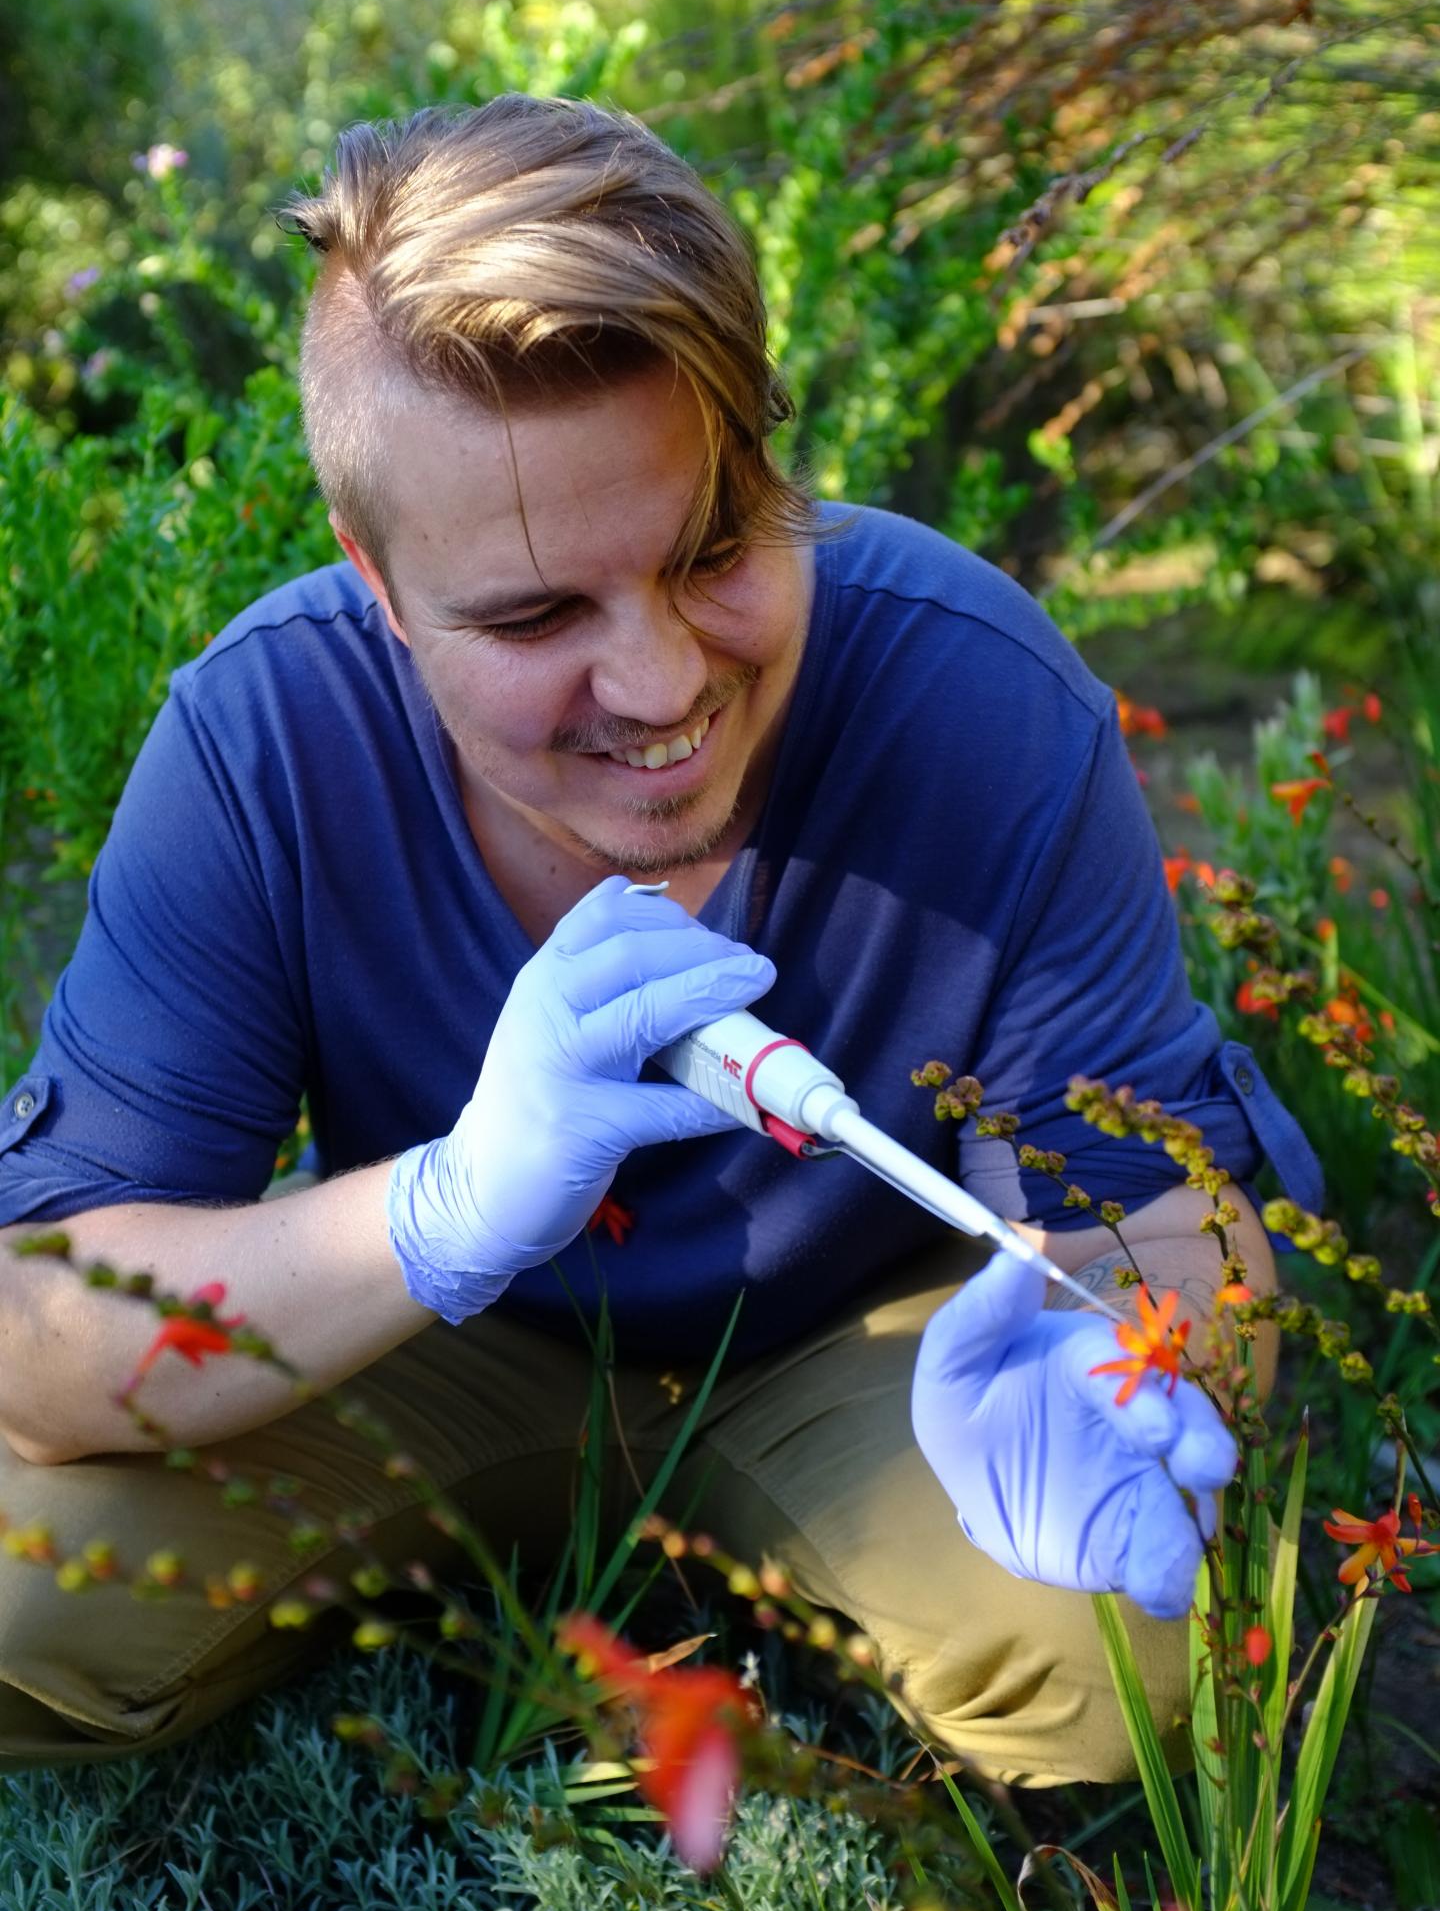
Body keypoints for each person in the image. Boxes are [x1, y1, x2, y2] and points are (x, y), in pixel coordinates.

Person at [0, 95, 1321, 1786]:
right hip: (421, 1350)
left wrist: (1138, 1354)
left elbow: (1167, 1234)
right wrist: (436, 1213)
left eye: (711, 548)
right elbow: (45, 1326)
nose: (664, 685)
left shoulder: (980, 697)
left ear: (772, 462)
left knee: (1112, 1655)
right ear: (380, 587)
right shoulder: (267, 744)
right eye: (537, 615)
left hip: (863, 1359)